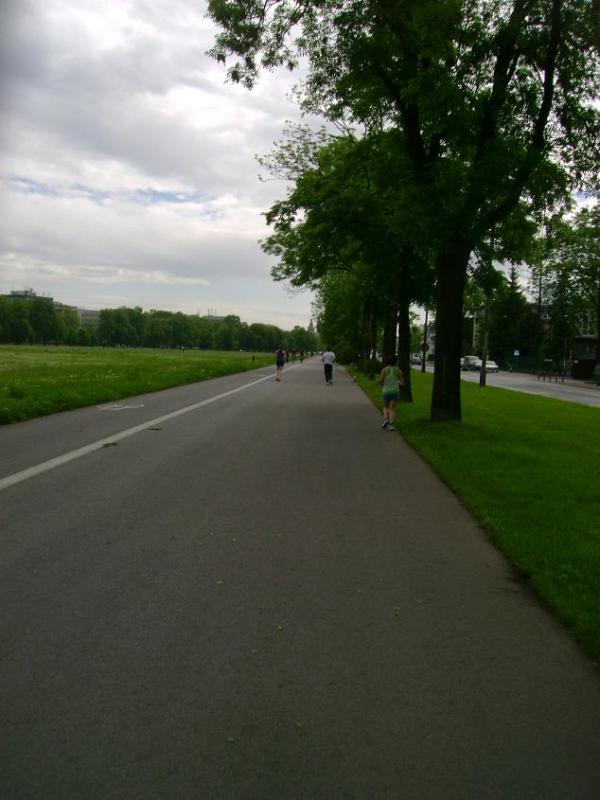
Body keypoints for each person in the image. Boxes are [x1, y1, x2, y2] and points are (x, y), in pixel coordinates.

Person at [379, 355, 405, 430]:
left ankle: (386, 419)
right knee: (392, 408)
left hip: (386, 391)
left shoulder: (384, 370)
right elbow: (403, 383)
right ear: (396, 362)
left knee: (386, 407)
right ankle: (391, 424)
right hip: (395, 391)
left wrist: (383, 384)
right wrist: (398, 382)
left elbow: (380, 380)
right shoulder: (399, 371)